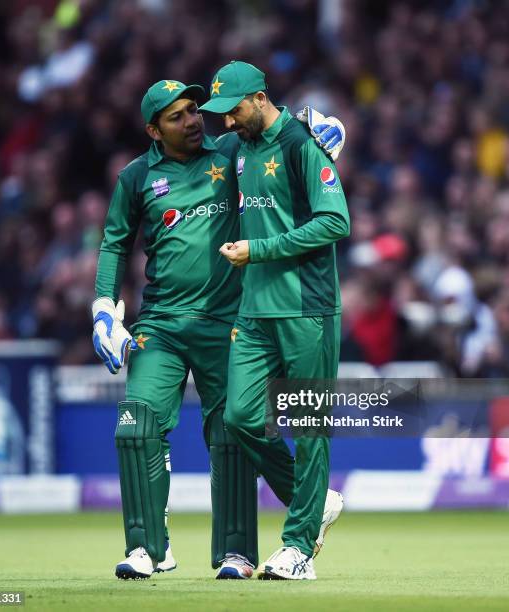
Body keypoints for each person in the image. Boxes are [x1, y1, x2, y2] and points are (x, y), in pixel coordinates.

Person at [92, 78, 345, 580]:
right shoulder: (136, 176)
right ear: (152, 130)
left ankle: (237, 553)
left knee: (235, 430)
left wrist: (319, 123)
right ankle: (149, 549)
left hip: (228, 320)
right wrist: (102, 304)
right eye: (177, 116)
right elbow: (114, 242)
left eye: (193, 110)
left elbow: (272, 123)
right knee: (137, 426)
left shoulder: (232, 148)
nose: (193, 121)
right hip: (160, 323)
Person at [200, 60, 350, 580]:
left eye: (233, 109)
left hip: (307, 307)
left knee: (311, 429)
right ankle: (314, 502)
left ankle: (299, 548)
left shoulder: (303, 145)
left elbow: (337, 220)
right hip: (254, 309)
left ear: (261, 98)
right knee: (239, 417)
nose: (226, 122)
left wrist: (259, 249)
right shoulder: (237, 149)